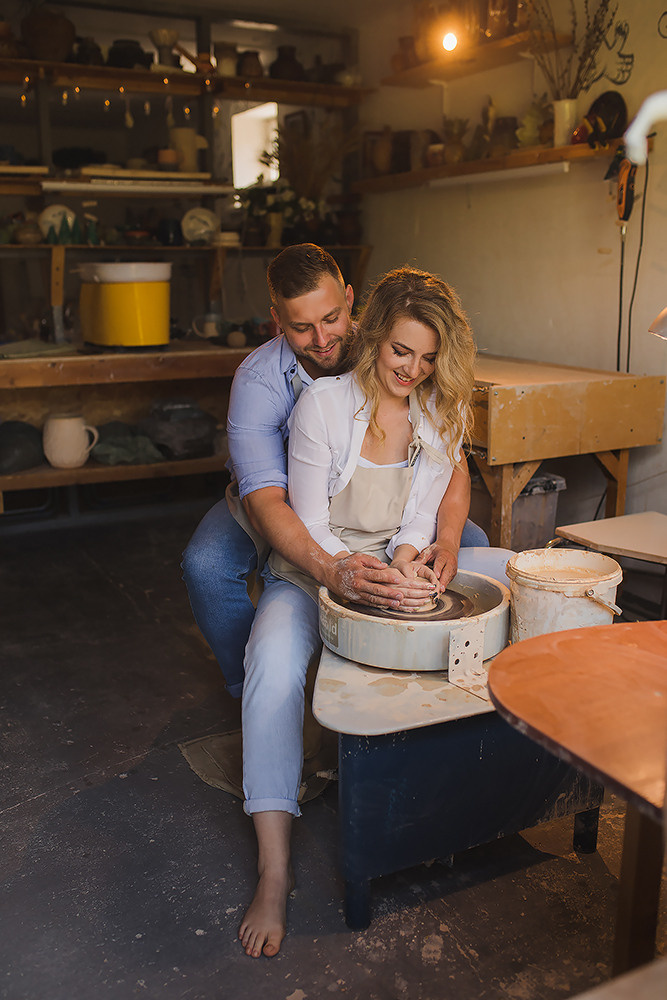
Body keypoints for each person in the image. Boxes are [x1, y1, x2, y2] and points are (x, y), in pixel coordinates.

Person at [237, 266, 514, 959]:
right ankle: (273, 870)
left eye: (426, 358)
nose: (411, 370)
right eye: (400, 352)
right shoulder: (322, 407)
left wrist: (416, 561)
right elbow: (307, 523)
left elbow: (418, 518)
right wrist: (347, 574)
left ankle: (453, 805)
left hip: (383, 568)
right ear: (375, 336)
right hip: (312, 571)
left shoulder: (437, 409)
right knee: (270, 668)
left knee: (507, 572)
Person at [181, 246, 489, 698]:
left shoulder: (393, 344)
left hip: (375, 507)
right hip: (277, 497)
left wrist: (443, 540)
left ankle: (398, 682)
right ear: (277, 321)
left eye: (331, 319)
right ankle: (253, 686)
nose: (322, 339)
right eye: (301, 328)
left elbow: (449, 463)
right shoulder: (257, 380)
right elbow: (265, 498)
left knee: (472, 545)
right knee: (206, 566)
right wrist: (331, 568)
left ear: (350, 301)